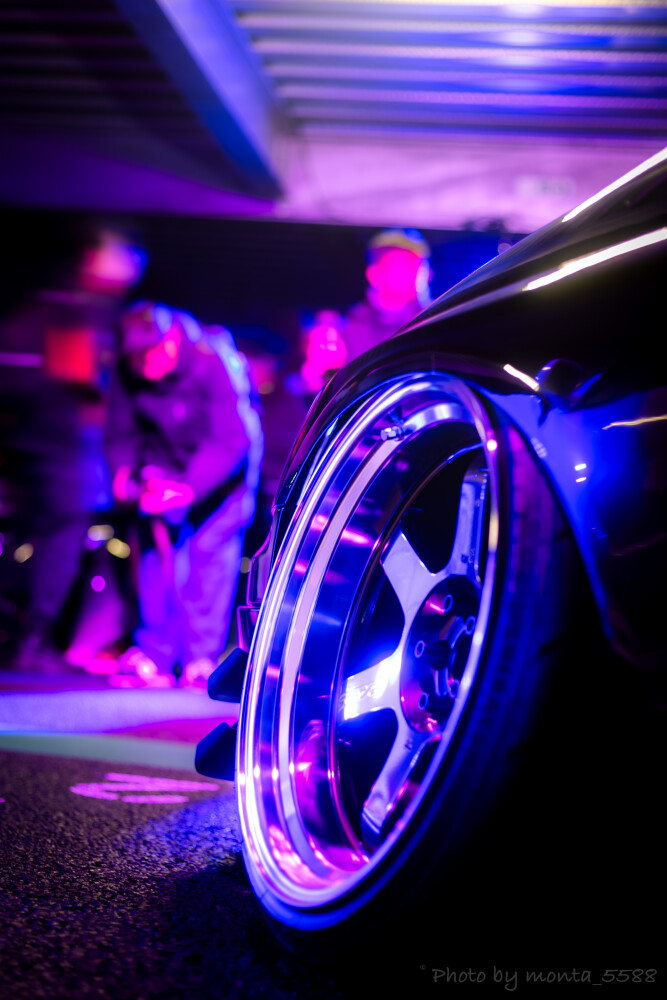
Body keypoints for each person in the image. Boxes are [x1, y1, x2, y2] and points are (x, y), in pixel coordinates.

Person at [0, 222, 145, 673]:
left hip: (34, 449)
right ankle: (33, 637)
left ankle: (29, 635)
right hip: (59, 455)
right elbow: (80, 391)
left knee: (35, 542)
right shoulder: (73, 312)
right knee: (58, 543)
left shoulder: (51, 307)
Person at [106, 301, 261, 688]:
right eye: (136, 358)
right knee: (155, 558)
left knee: (208, 555)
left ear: (172, 339)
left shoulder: (214, 360)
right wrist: (125, 474)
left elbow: (232, 439)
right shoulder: (128, 368)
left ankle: (200, 659)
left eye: (151, 354)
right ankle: (155, 654)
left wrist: (188, 488)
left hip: (223, 472)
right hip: (164, 468)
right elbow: (121, 431)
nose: (144, 366)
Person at [300, 228, 432, 394]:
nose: (406, 273)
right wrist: (315, 372)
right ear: (373, 273)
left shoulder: (438, 324)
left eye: (413, 265)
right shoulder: (343, 329)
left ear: (428, 273)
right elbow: (317, 390)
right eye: (395, 265)